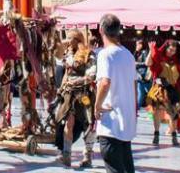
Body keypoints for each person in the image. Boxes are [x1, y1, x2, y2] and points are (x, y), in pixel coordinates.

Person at [94, 14, 137, 173]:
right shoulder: (128, 55)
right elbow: (133, 85)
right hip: (126, 122)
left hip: (111, 122)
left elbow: (105, 82)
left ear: (101, 29)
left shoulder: (105, 54)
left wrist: (97, 106)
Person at [56, 29, 96, 168]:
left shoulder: (88, 54)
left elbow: (92, 74)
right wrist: (61, 89)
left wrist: (78, 81)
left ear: (77, 40)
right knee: (68, 123)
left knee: (88, 124)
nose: (68, 40)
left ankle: (87, 156)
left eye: (70, 38)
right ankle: (66, 155)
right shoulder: (67, 53)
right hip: (69, 95)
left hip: (84, 94)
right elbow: (58, 57)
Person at [147, 38, 180, 146]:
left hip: (173, 90)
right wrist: (151, 50)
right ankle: (156, 134)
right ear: (166, 48)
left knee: (174, 114)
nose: (171, 52)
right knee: (157, 112)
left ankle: (174, 135)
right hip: (160, 89)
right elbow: (148, 63)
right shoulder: (159, 58)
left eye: (173, 50)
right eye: (170, 49)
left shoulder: (177, 63)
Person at [134, 39, 151, 109]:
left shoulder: (145, 52)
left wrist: (137, 64)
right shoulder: (138, 52)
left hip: (144, 75)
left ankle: (153, 109)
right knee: (140, 94)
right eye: (136, 44)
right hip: (139, 76)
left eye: (138, 44)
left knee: (149, 94)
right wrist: (136, 51)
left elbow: (147, 63)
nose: (137, 46)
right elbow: (132, 60)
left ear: (141, 44)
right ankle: (136, 110)